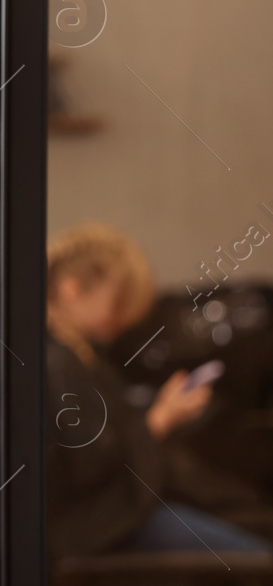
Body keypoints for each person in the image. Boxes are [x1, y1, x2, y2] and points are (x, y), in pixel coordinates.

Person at [44, 222, 270, 559]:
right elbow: (93, 469)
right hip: (98, 524)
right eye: (118, 301)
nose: (122, 318)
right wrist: (161, 419)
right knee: (256, 561)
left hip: (107, 515)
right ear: (71, 290)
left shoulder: (72, 356)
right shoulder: (60, 363)